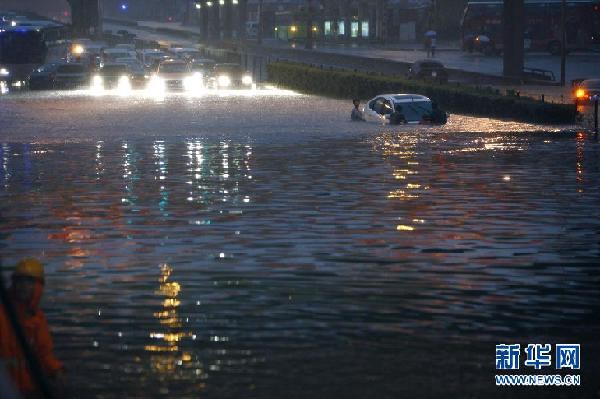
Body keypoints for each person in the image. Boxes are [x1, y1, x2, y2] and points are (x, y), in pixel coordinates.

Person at [0, 258, 65, 398]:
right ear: (13, 283)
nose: (23, 285)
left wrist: (56, 371)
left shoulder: (38, 319)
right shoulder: (2, 313)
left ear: (38, 286)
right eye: (19, 281)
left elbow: (44, 353)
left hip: (28, 388)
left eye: (29, 281)